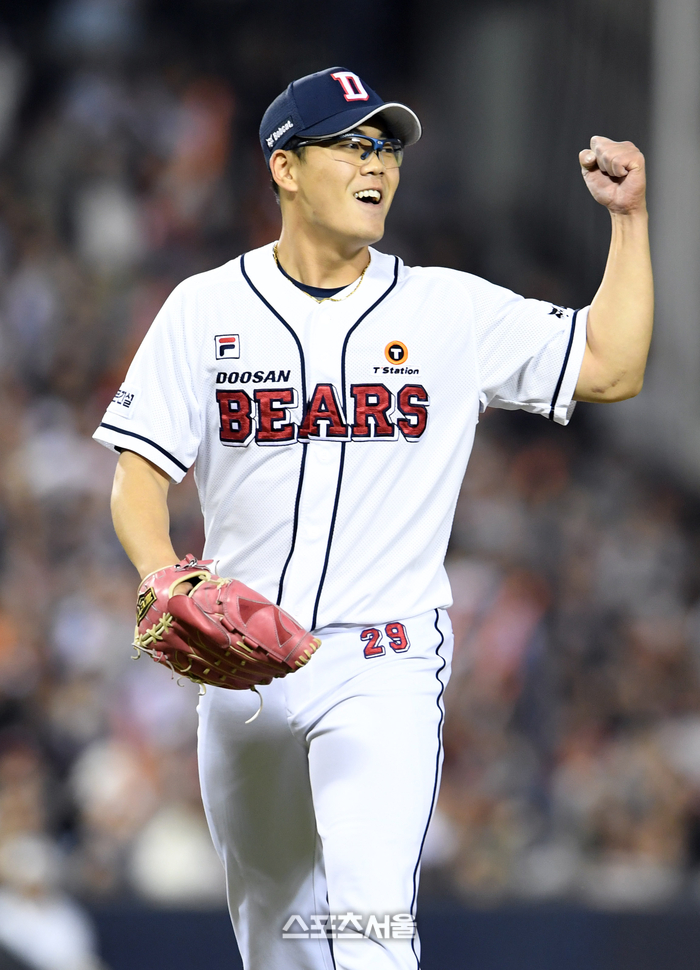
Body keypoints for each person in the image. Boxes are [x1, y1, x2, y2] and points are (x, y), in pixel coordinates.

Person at [95, 67, 653, 970]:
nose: (378, 165)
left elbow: (613, 366)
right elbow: (137, 477)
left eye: (387, 148)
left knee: (371, 922)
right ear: (285, 167)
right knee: (275, 937)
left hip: (383, 658)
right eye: (351, 145)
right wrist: (165, 576)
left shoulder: (447, 308)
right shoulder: (205, 307)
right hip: (242, 657)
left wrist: (628, 222)